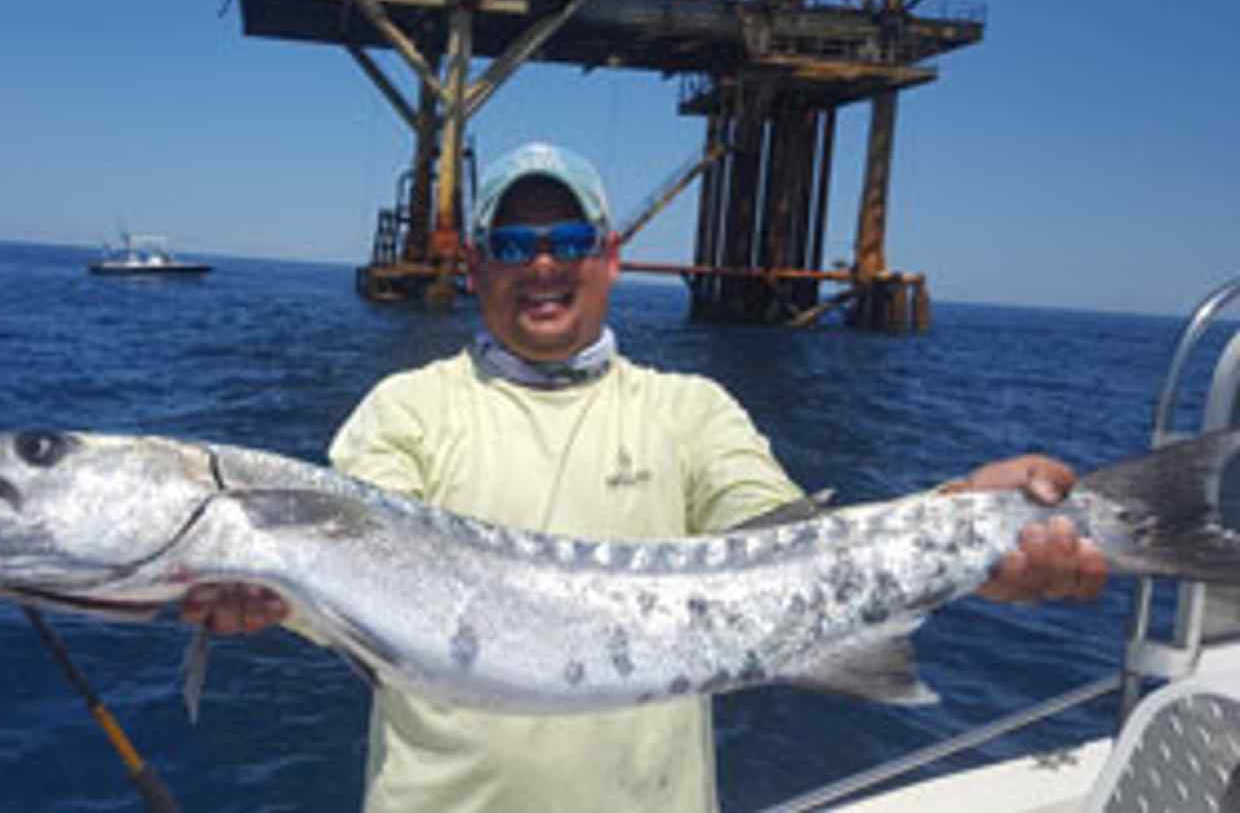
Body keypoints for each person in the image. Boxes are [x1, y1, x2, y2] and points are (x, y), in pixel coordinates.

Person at [181, 142, 1109, 812]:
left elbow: (793, 547)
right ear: (475, 266)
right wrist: (264, 597)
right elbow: (338, 585)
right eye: (513, 245)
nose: (543, 264)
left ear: (611, 257)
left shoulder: (688, 411)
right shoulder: (406, 411)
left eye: (569, 239)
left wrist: (966, 517)